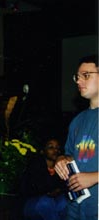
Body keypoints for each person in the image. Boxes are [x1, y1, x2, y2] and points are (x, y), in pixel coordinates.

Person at [54, 54, 98, 220]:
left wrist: (94, 177)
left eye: (86, 75)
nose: (79, 81)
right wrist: (61, 160)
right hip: (76, 208)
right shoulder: (77, 121)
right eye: (77, 77)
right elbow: (71, 155)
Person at [21, 137, 67, 220]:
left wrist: (58, 190)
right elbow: (33, 188)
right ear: (43, 151)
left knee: (64, 202)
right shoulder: (35, 165)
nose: (55, 150)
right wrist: (53, 191)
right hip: (33, 203)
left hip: (53, 202)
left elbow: (64, 187)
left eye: (57, 148)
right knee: (46, 202)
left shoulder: (61, 167)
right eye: (51, 147)